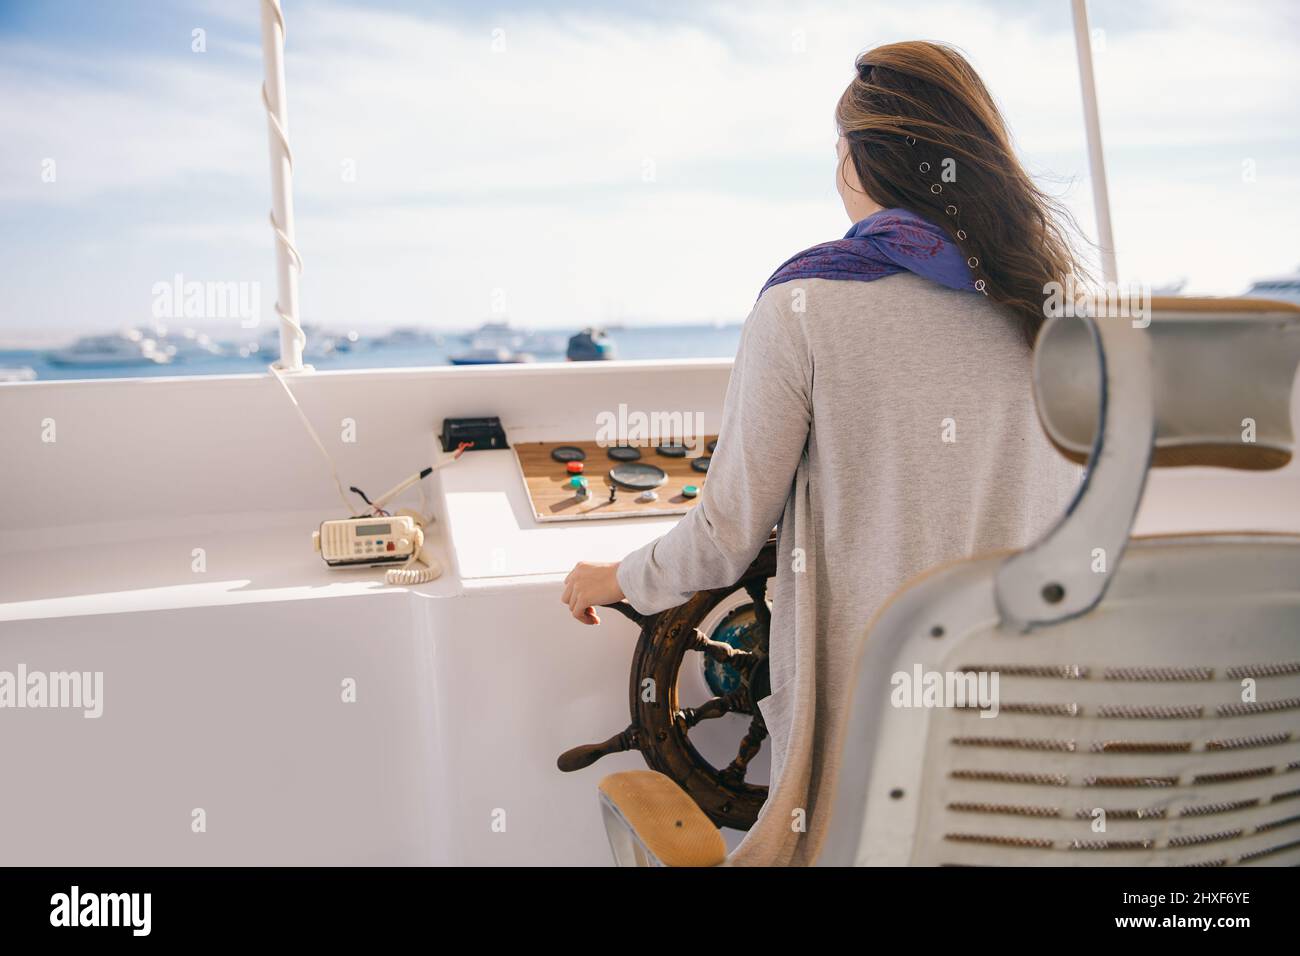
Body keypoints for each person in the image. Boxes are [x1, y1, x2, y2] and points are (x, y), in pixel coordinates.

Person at [560, 40, 1084, 866]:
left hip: (867, 804)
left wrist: (610, 578)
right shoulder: (1054, 314)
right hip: (1035, 790)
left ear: (860, 160)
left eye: (838, 148)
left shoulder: (807, 303)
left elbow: (725, 538)